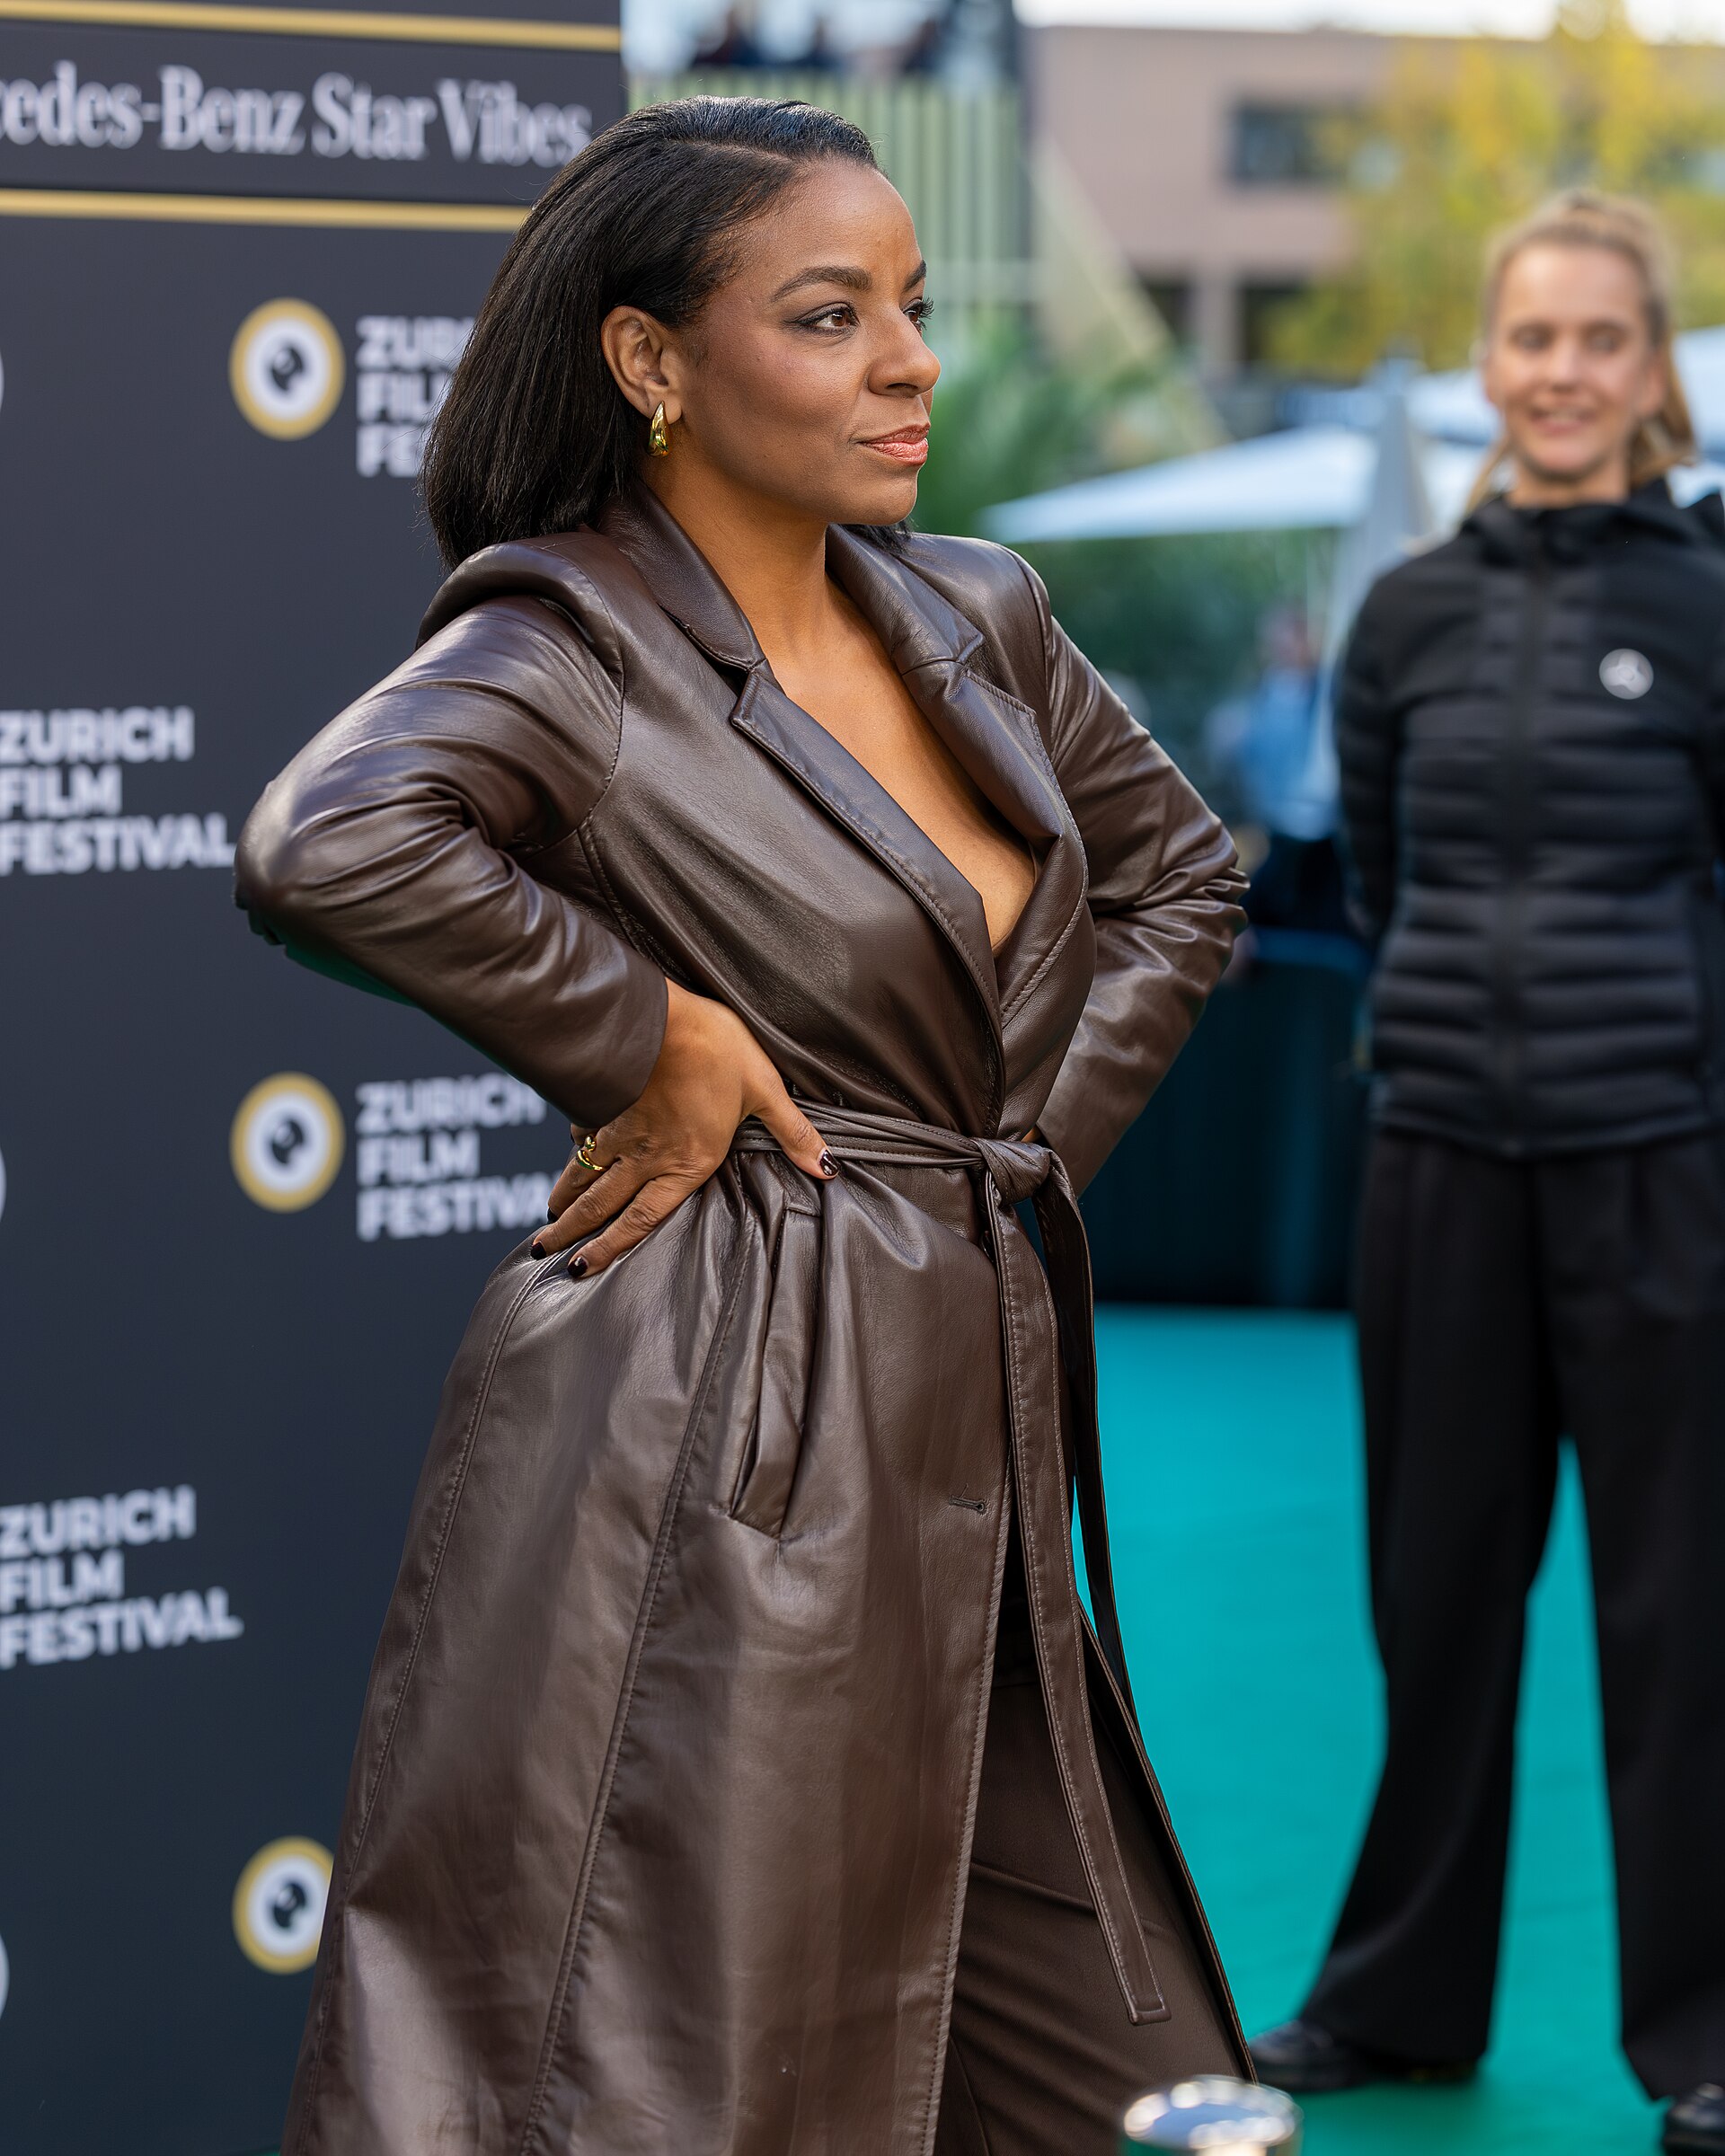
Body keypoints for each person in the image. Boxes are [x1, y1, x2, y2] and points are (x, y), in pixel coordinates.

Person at [236, 99, 1250, 2154]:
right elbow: (327, 841)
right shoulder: (569, 641)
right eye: (827, 313)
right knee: (684, 2078)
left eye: (914, 307)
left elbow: (1186, 880)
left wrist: (991, 1155)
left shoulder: (980, 615)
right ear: (652, 362)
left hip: (968, 1414)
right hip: (713, 1439)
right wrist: (652, 1035)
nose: (910, 362)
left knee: (1128, 2090)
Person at [1250, 191, 1725, 2156]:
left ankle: (1702, 2036)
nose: (1558, 372)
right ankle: (1400, 2003)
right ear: (1491, 360)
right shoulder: (1411, 614)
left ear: (1651, 367)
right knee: (1434, 1592)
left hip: (1661, 1167)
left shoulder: (1709, 602)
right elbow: (1376, 876)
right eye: (1529, 338)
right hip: (1437, 1152)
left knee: (1680, 1616)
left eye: (1598, 339)